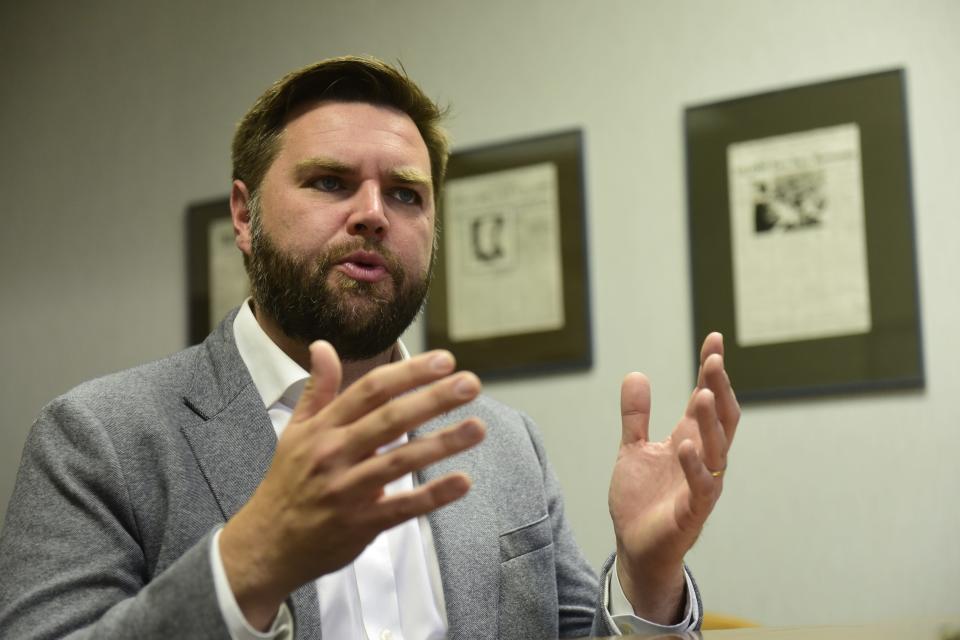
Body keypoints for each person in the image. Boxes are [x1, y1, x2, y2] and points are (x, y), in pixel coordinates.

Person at [0, 56, 740, 640]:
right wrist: (247, 563)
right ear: (244, 215)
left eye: (407, 194)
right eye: (329, 182)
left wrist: (648, 577)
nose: (372, 215)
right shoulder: (98, 438)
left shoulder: (507, 444)